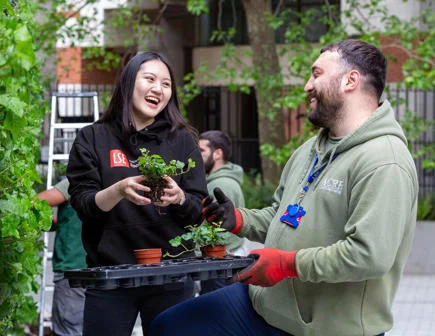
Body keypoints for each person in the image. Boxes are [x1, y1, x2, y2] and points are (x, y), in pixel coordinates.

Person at [148, 39, 418, 336]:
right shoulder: (309, 150)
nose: (307, 85)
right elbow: (285, 216)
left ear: (350, 80)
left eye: (316, 74)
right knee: (169, 326)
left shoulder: (384, 161)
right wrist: (238, 219)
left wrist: (288, 264)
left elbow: (369, 256)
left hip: (326, 328)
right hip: (263, 305)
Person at [66, 51, 208, 335]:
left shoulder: (182, 141)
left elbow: (197, 211)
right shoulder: (93, 138)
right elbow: (83, 203)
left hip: (171, 274)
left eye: (166, 84)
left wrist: (179, 197)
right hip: (110, 275)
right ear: (129, 82)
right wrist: (117, 190)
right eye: (150, 79)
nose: (159, 88)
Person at [198, 130, 247, 293]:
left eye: (202, 151)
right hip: (225, 261)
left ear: (217, 153)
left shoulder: (220, 185)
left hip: (220, 264)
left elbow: (219, 231)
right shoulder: (224, 180)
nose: (197, 156)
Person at [37, 178, 87, 336]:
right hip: (103, 267)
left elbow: (36, 203)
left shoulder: (76, 181)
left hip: (73, 268)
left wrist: (49, 223)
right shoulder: (111, 178)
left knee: (68, 332)